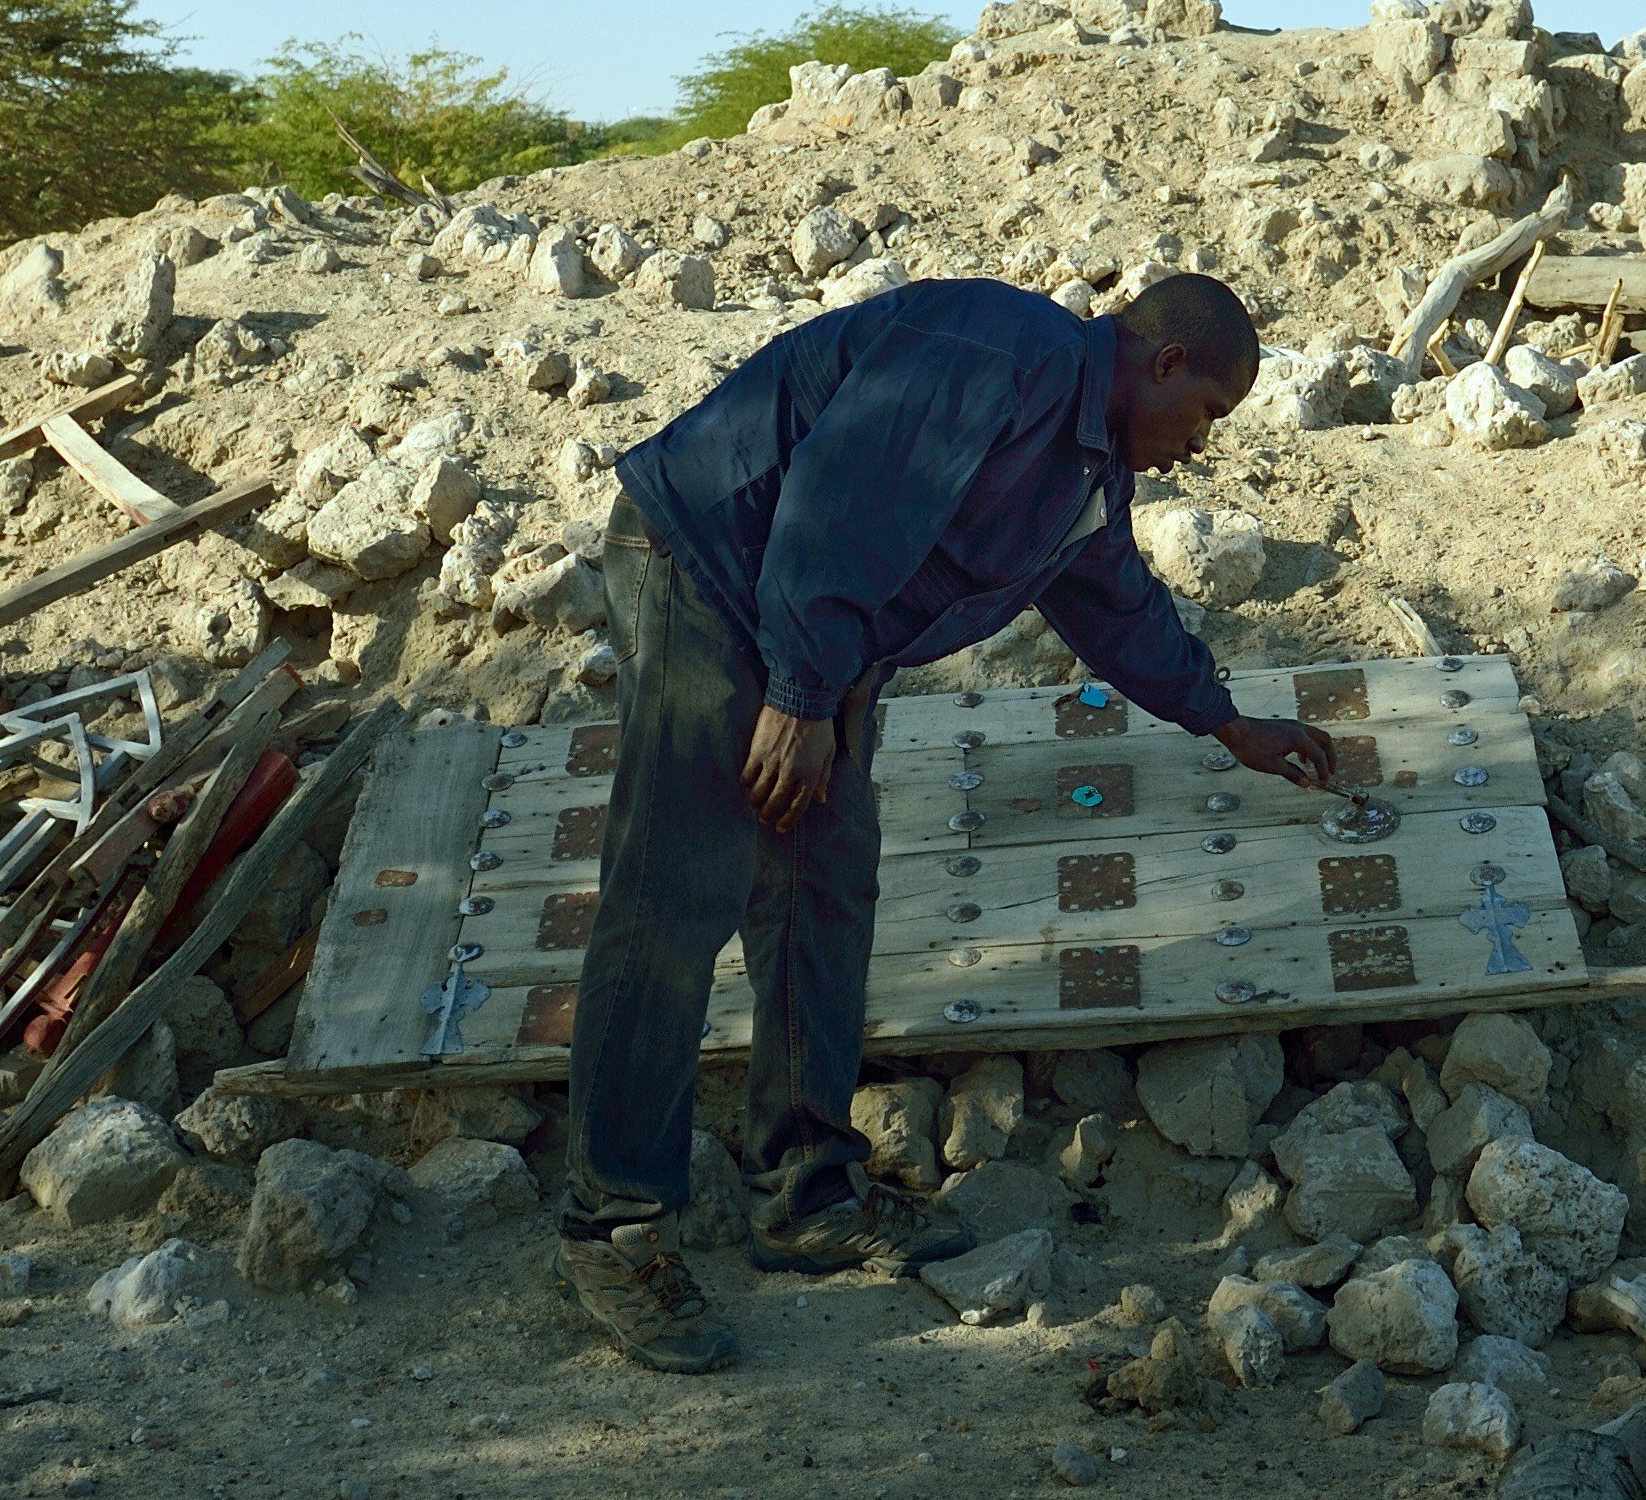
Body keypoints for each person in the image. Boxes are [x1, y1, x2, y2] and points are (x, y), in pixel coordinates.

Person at [556, 269, 1336, 1371]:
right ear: (1162, 361)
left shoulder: (1084, 466)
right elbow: (834, 505)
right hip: (713, 566)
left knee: (822, 888)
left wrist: (1224, 722)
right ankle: (614, 1226)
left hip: (810, 630)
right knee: (675, 890)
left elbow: (1115, 605)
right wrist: (797, 693)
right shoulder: (1000, 353)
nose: (1198, 447)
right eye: (1206, 412)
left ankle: (804, 1193)